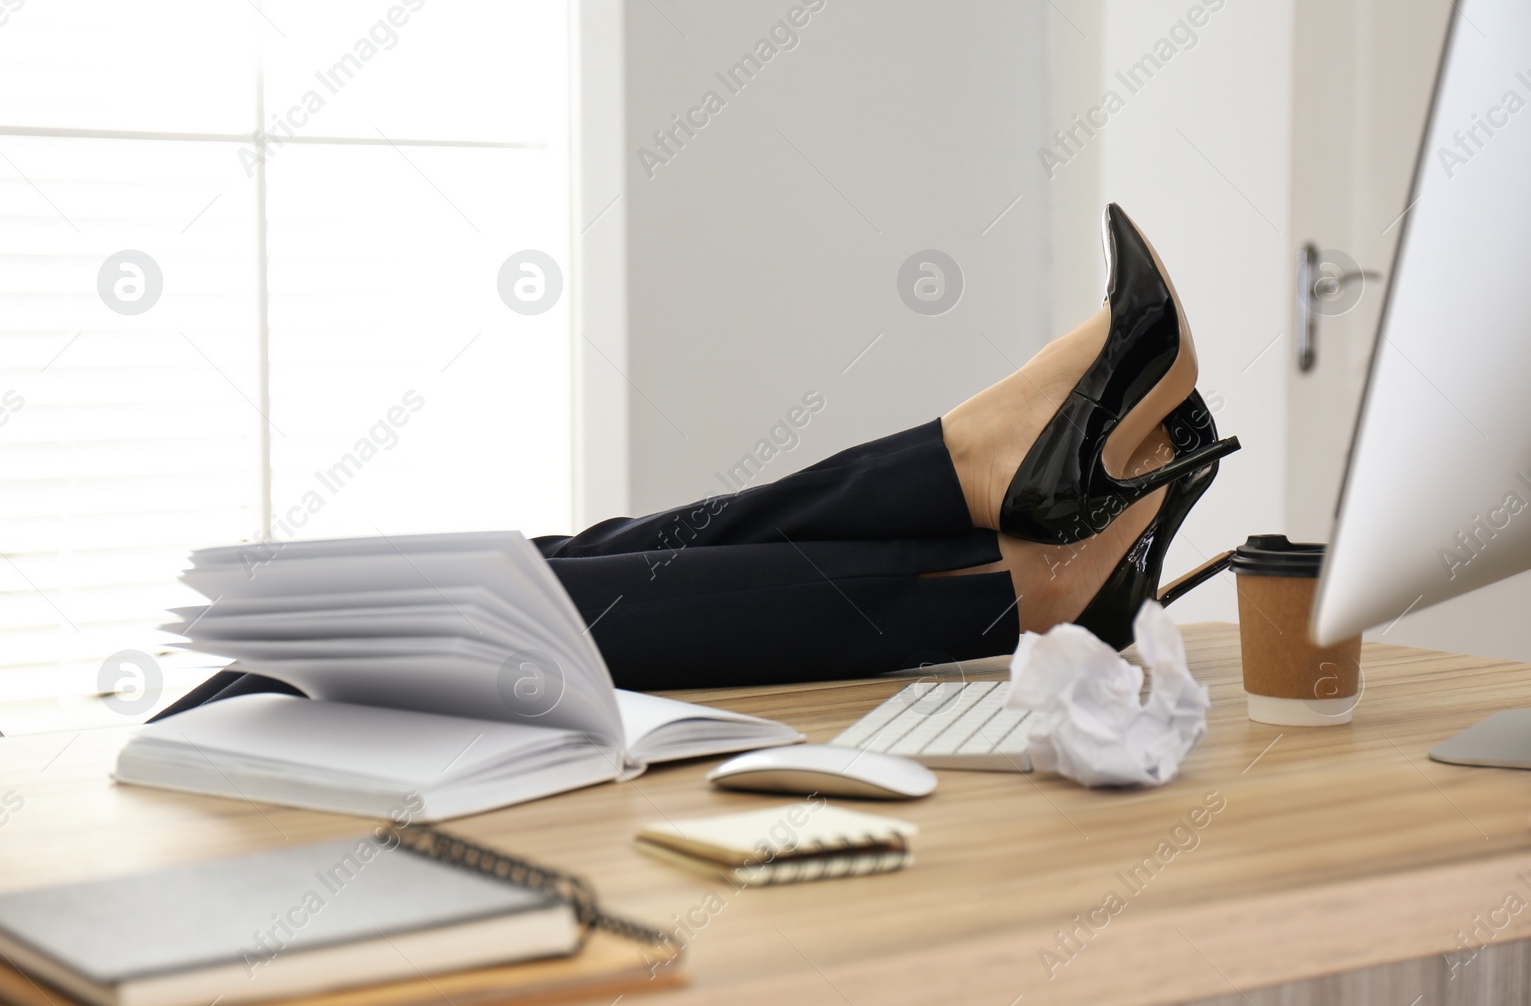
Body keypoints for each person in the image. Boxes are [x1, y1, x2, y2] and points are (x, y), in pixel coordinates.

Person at [157, 204, 1238, 715]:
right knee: (483, 609)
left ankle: (1015, 534)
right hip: (234, 726)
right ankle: (1009, 510)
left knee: (554, 563)